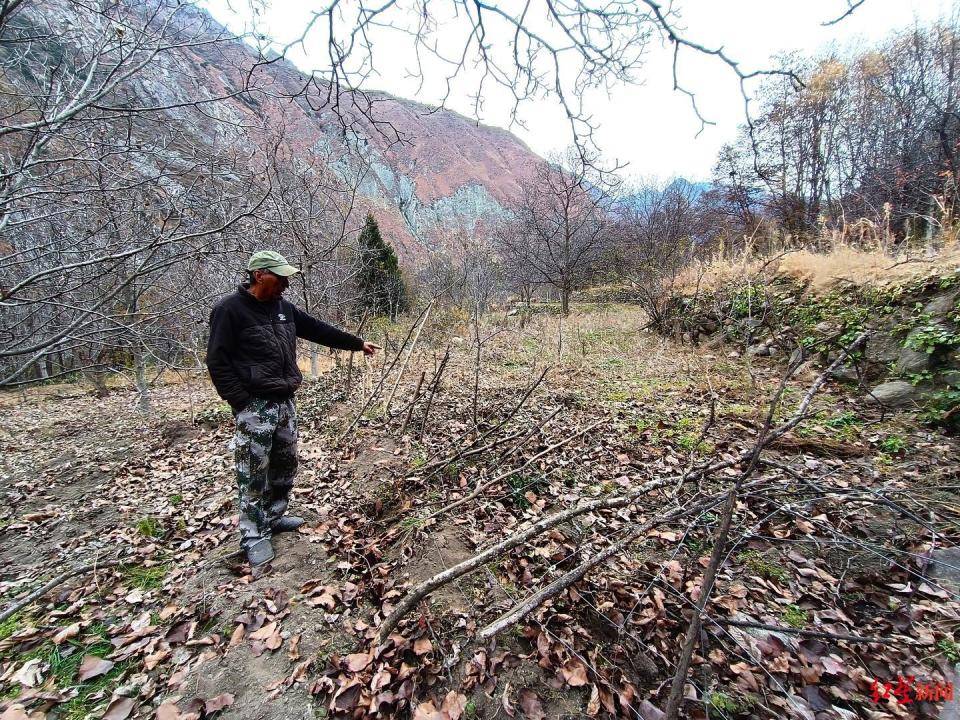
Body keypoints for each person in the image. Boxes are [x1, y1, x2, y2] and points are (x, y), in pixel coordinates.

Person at [205, 250, 379, 566]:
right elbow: (217, 361)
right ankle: (253, 535)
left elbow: (317, 329)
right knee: (252, 474)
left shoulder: (283, 308)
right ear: (259, 275)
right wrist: (241, 402)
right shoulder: (229, 311)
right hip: (254, 406)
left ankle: (273, 516)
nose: (285, 283)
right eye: (280, 277)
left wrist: (357, 343)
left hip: (285, 403)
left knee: (285, 465)